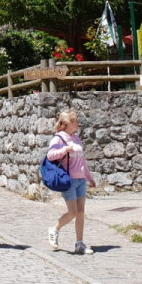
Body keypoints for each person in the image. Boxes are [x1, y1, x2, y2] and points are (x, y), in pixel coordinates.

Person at [45, 109, 98, 254]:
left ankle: (79, 244)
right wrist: (65, 149)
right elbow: (50, 155)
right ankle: (54, 229)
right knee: (72, 212)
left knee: (81, 212)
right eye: (75, 121)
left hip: (80, 180)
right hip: (69, 181)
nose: (78, 123)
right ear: (67, 123)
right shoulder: (59, 139)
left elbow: (82, 161)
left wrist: (89, 178)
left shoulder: (76, 138)